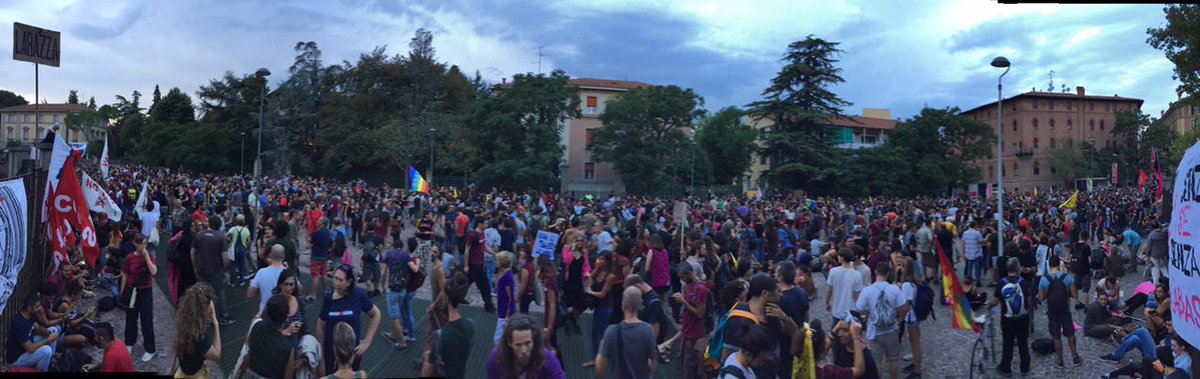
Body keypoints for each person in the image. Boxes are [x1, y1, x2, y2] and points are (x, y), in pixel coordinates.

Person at [723, 273, 800, 379]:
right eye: (778, 291)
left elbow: (794, 332)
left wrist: (785, 318)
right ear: (765, 293)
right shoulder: (738, 320)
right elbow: (727, 355)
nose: (781, 294)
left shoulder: (773, 312)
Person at [317, 264, 382, 374]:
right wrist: (321, 359)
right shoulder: (329, 298)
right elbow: (320, 326)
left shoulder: (358, 296)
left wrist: (367, 342)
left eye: (340, 280)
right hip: (331, 353)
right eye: (335, 278)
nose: (336, 283)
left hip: (352, 354)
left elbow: (376, 314)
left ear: (349, 282)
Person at [854, 261, 909, 379]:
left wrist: (869, 311)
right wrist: (899, 319)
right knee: (893, 358)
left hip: (874, 331)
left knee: (876, 361)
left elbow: (859, 309)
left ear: (875, 272)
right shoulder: (894, 289)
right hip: (891, 329)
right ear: (888, 273)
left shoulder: (867, 290)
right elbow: (904, 307)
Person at [595, 286, 657, 379]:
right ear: (640, 305)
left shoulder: (611, 331)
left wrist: (601, 347)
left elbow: (600, 370)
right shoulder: (648, 330)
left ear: (623, 305)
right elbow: (653, 367)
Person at [423, 272, 475, 379]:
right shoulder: (470, 325)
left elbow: (425, 374)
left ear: (446, 296)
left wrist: (427, 356)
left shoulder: (440, 336)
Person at [485, 314, 567, 379]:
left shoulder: (547, 359)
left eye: (528, 344)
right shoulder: (496, 359)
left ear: (534, 341)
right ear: (509, 342)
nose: (523, 350)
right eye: (518, 345)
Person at [989, 258, 1034, 377]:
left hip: (1007, 319)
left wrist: (989, 306)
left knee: (1008, 343)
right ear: (1017, 269)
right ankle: (1024, 367)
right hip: (1022, 318)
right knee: (1023, 343)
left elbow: (995, 301)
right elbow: (1029, 302)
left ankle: (1006, 368)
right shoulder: (1023, 283)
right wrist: (1030, 315)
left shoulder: (1001, 283)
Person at [240, 295, 300, 379]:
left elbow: (248, 348)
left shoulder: (257, 326)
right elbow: (288, 376)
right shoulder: (288, 348)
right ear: (286, 317)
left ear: (268, 313)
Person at [1038, 255, 1081, 368]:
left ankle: (1060, 360)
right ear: (1059, 264)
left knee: (1056, 336)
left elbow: (1041, 298)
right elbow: (1074, 295)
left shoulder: (1044, 280)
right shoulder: (1068, 278)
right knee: (1070, 334)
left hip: (1052, 312)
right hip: (1065, 310)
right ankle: (1075, 357)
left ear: (1049, 265)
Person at [123, 234, 161, 361]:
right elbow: (125, 274)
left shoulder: (150, 256)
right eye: (141, 244)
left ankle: (150, 349)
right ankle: (129, 342)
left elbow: (154, 272)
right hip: (133, 290)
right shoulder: (129, 258)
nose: (143, 246)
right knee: (131, 318)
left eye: (145, 244)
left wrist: (147, 257)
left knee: (147, 320)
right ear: (136, 243)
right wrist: (123, 292)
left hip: (146, 291)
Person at [171, 283, 221, 378]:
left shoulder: (185, 323)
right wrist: (216, 323)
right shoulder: (199, 337)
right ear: (204, 309)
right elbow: (216, 355)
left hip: (183, 372)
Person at [192, 216, 234, 325]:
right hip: (216, 270)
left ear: (209, 223)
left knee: (202, 293)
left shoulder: (199, 235)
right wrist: (226, 271)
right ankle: (223, 316)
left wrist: (195, 266)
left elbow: (192, 252)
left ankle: (204, 317)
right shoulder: (220, 237)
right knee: (219, 293)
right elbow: (224, 256)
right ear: (219, 225)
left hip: (201, 269)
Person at [5, 294, 61, 372]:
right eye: (37, 307)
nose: (40, 308)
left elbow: (37, 327)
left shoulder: (30, 315)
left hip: (28, 345)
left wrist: (48, 333)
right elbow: (30, 348)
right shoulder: (20, 323)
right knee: (46, 351)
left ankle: (52, 361)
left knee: (53, 330)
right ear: (29, 308)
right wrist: (48, 340)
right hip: (17, 359)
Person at [381, 239, 419, 350]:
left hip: (392, 289)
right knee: (395, 313)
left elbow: (383, 272)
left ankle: (402, 343)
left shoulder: (389, 254)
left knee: (395, 317)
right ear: (402, 247)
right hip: (403, 290)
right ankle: (393, 334)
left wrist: (382, 287)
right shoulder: (405, 255)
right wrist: (418, 261)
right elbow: (415, 269)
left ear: (393, 246)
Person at [583, 252, 618, 368]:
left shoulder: (610, 276)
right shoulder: (598, 271)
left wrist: (590, 292)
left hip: (605, 307)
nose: (599, 261)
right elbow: (590, 277)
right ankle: (598, 357)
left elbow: (603, 294)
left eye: (602, 259)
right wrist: (591, 283)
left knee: (601, 334)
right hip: (598, 306)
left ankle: (601, 358)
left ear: (607, 261)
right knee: (595, 332)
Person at [775, 261, 809, 377]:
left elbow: (782, 327)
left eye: (776, 272)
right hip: (801, 336)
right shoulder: (801, 292)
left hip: (785, 343)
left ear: (781, 277)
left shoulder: (780, 298)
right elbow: (806, 315)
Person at [897, 258, 924, 378]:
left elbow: (905, 306)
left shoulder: (907, 285)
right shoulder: (914, 281)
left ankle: (917, 371)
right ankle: (915, 364)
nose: (900, 268)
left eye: (902, 266)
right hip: (915, 316)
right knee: (914, 341)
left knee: (915, 343)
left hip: (911, 317)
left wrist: (899, 321)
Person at [466, 217, 498, 313]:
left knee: (466, 282)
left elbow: (483, 246)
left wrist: (494, 254)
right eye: (485, 223)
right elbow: (467, 250)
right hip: (475, 264)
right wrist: (466, 265)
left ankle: (456, 298)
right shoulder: (472, 235)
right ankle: (489, 305)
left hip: (480, 263)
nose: (487, 225)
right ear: (479, 224)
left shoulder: (482, 233)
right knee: (485, 286)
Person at [827, 248, 864, 326]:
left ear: (842, 258)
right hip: (851, 310)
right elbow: (856, 295)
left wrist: (827, 302)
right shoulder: (857, 275)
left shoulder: (833, 271)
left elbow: (830, 290)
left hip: (837, 309)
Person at [248, 244, 288, 316]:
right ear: (284, 256)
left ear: (271, 256)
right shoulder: (287, 272)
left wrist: (259, 288)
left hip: (266, 311)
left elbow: (250, 294)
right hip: (284, 311)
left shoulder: (261, 272)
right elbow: (299, 289)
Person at [495, 251, 519, 345]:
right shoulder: (504, 274)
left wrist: (507, 315)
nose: (496, 262)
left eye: (497, 261)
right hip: (502, 309)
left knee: (498, 339)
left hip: (505, 312)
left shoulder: (507, 277)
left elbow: (510, 297)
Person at [309, 217, 333, 303]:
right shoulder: (328, 233)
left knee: (315, 275)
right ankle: (325, 290)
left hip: (316, 256)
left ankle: (313, 294)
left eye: (319, 220)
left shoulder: (317, 233)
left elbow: (311, 240)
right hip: (324, 256)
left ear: (322, 223)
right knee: (324, 274)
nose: (317, 221)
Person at [226, 214, 253, 286]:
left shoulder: (233, 228)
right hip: (242, 249)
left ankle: (232, 282)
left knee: (233, 265)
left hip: (234, 249)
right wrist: (246, 246)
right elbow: (249, 240)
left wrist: (230, 241)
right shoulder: (246, 230)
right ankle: (241, 281)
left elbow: (226, 235)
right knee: (242, 265)